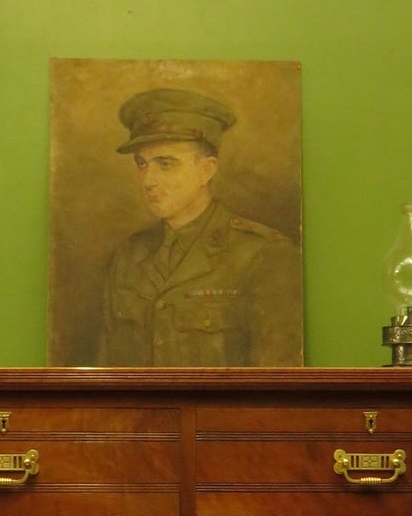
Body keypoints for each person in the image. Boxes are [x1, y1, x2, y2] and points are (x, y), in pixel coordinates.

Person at [95, 88, 303, 366]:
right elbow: (109, 374)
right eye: (142, 164)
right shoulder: (129, 257)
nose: (148, 181)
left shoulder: (263, 254)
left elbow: (276, 385)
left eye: (165, 164)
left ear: (207, 170)